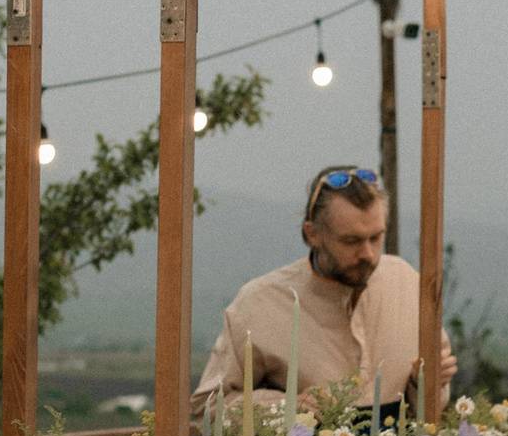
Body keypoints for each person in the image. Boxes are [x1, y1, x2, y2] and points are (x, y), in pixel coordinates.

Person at [193, 164, 458, 421]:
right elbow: (203, 410)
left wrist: (421, 385)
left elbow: (432, 407)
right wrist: (283, 409)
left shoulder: (406, 282)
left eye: (376, 238)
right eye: (351, 241)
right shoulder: (260, 302)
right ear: (313, 234)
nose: (367, 254)